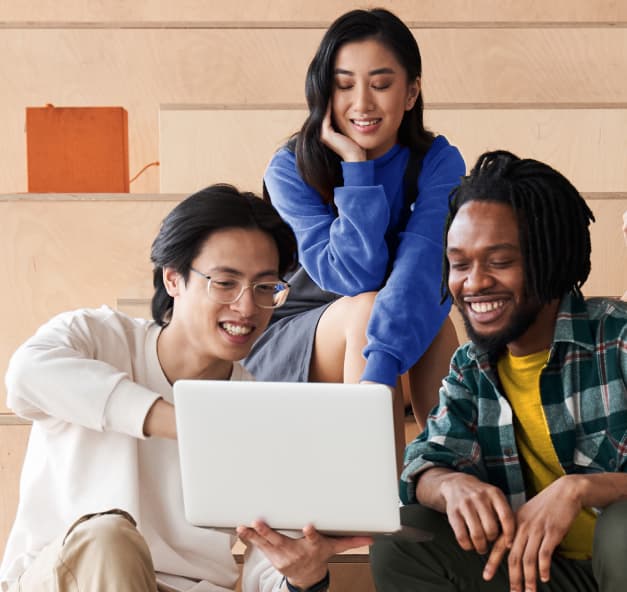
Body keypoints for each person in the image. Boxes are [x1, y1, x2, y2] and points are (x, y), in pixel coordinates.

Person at [0, 184, 371, 592]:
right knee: (109, 540)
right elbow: (24, 378)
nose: (247, 308)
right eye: (225, 283)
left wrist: (302, 576)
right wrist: (185, 423)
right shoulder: (94, 338)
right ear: (173, 278)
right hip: (69, 577)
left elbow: (265, 570)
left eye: (265, 287)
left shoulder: (261, 410)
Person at [370, 151, 627, 592]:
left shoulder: (617, 339)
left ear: (550, 258)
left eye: (499, 261)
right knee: (405, 536)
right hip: (539, 574)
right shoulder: (473, 368)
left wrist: (580, 489)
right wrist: (448, 484)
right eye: (460, 263)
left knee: (621, 529)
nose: (473, 283)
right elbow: (422, 464)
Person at [243, 8, 465, 433]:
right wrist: (356, 169)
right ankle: (376, 491)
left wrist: (376, 369)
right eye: (344, 86)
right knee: (367, 307)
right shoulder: (290, 167)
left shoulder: (439, 161)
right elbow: (353, 277)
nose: (362, 103)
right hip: (290, 334)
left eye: (381, 85)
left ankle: (453, 471)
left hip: (377, 330)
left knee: (435, 324)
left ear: (412, 92)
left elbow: (424, 269)